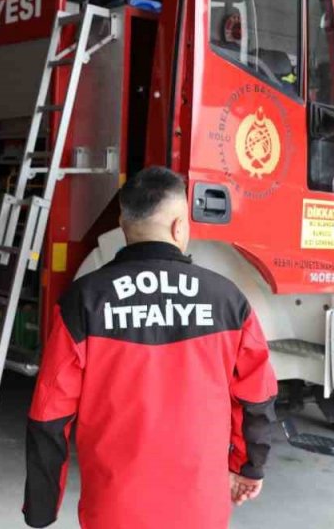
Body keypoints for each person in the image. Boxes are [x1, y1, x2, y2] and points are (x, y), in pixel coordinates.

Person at [23, 166, 278, 528]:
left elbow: (49, 414)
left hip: (114, 509)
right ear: (179, 227)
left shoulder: (85, 300)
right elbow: (257, 397)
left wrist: (42, 506)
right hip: (199, 508)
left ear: (124, 226)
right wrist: (248, 467)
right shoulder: (227, 300)